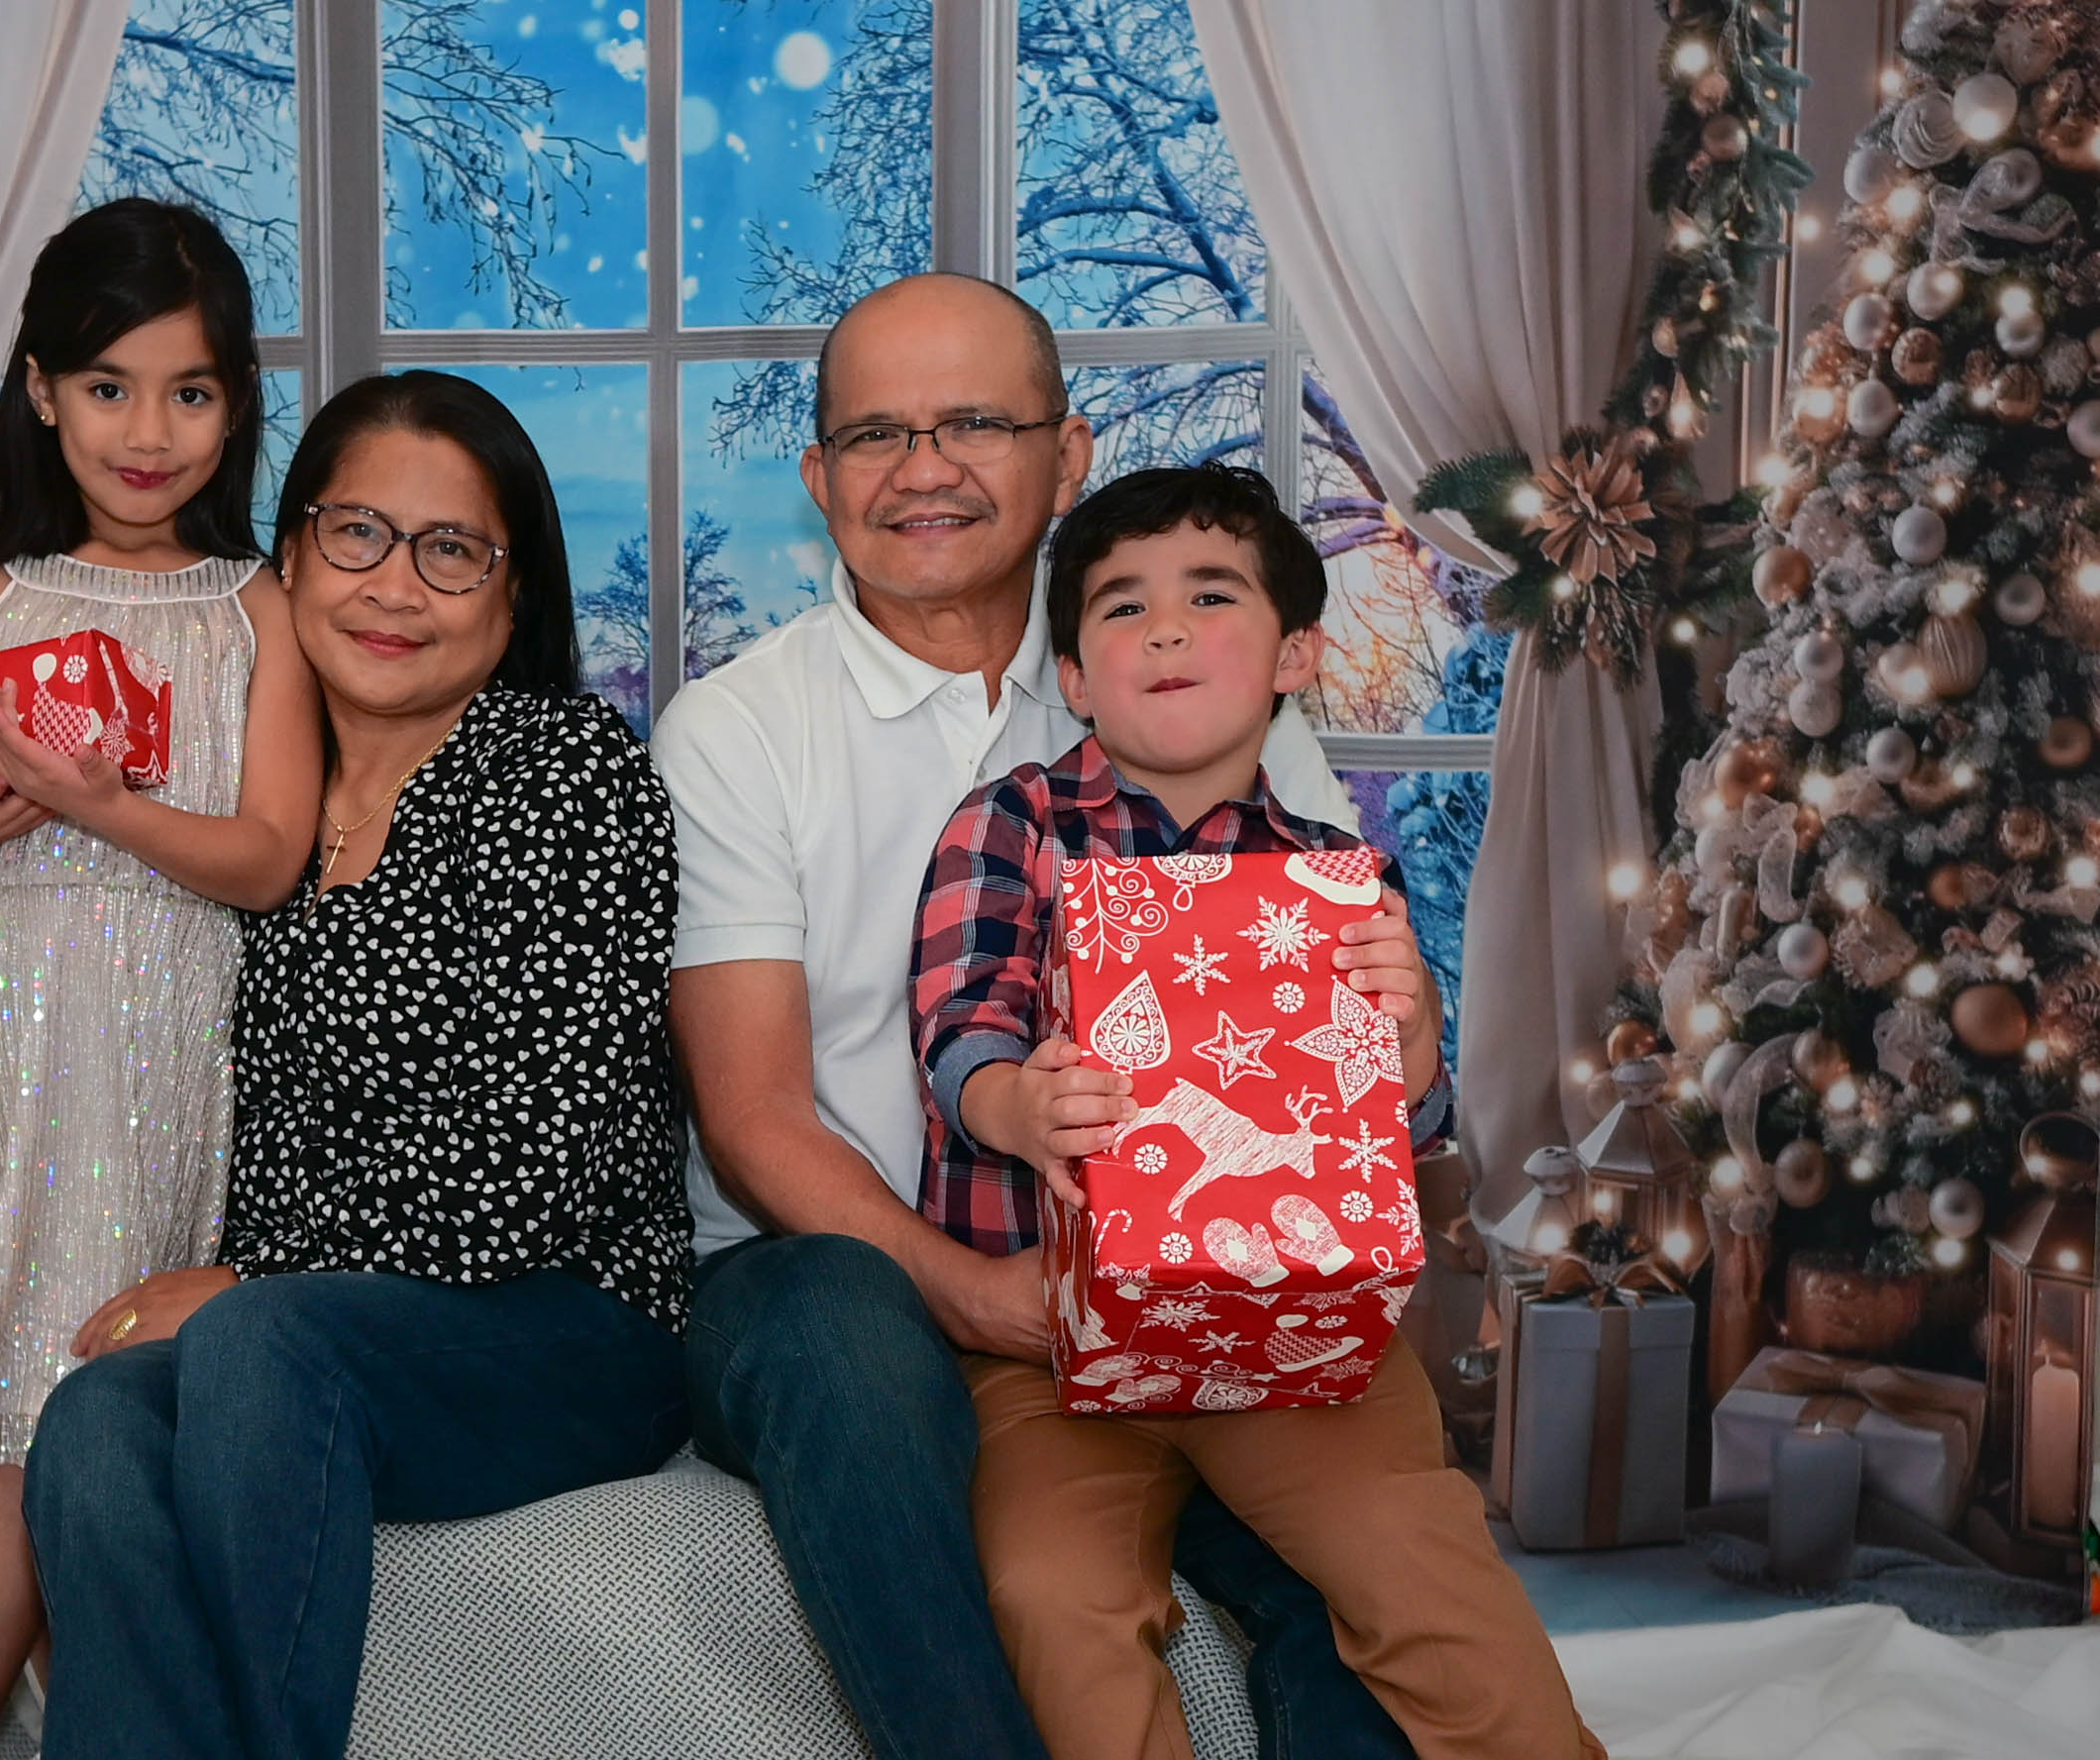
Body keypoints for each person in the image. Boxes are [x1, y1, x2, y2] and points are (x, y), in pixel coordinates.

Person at [652, 272, 1415, 1760]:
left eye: (974, 424)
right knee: (846, 1337)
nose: (922, 468)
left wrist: (1407, 1009)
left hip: (1156, 1265)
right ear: (818, 477)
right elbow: (751, 1119)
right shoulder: (737, 730)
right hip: (824, 1272)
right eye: (876, 434)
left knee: (1351, 1565)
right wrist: (984, 1299)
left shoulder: (1177, 678)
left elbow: (1341, 1007)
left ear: (1067, 457)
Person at [16, 370, 695, 1760]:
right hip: (303, 1337)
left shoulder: (562, 771)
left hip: (560, 1318)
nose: (395, 585)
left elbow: (540, 1150)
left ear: (515, 590)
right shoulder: (245, 797)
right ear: (289, 555)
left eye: (452, 550)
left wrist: (257, 1278)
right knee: (92, 1426)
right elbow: (49, 985)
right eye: (358, 533)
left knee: (259, 1341)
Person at [913, 463, 1599, 1760]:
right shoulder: (1016, 826)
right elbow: (960, 1027)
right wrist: (1018, 1105)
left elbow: (1397, 1135)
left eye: (1211, 596)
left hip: (1297, 1335)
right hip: (1053, 1347)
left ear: (1296, 655)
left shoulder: (1339, 875)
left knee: (1426, 1570)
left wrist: (1410, 1040)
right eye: (1123, 607)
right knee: (1049, 1592)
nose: (1165, 630)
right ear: (1075, 676)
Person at [0, 197, 323, 1760]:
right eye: (110, 386)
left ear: (237, 405)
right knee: (36, 1429)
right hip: (4, 1039)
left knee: (88, 1421)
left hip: (168, 1045)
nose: (149, 431)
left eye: (191, 391)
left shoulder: (256, 609)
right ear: (42, 389)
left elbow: (268, 857)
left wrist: (104, 806)